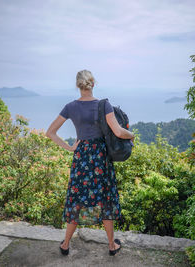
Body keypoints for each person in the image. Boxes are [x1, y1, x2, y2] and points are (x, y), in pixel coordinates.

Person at [45, 70, 135, 256]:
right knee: (104, 199)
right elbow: (118, 132)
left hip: (82, 157)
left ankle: (65, 244)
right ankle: (111, 245)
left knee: (78, 199)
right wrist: (132, 135)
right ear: (93, 83)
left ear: (78, 85)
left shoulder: (70, 106)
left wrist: (71, 148)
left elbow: (50, 132)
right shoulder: (104, 105)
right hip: (100, 157)